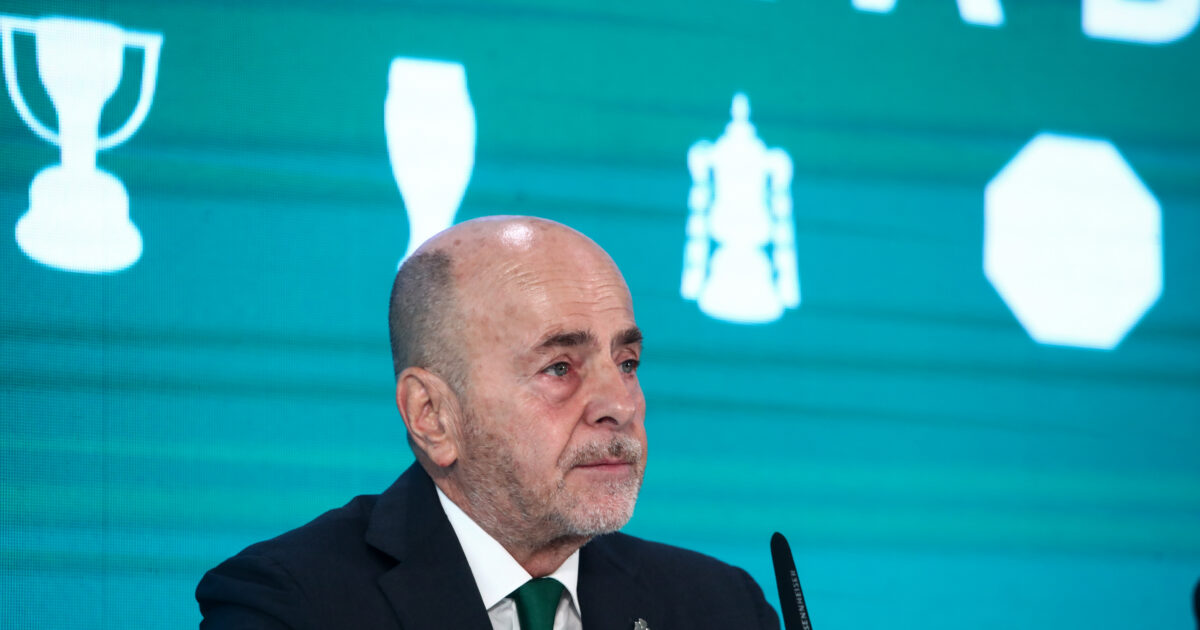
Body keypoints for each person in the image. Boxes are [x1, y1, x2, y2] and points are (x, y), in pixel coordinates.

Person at [196, 216, 780, 629]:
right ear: (432, 416)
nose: (620, 405)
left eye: (626, 363)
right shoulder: (289, 604)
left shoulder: (722, 607)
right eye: (559, 367)